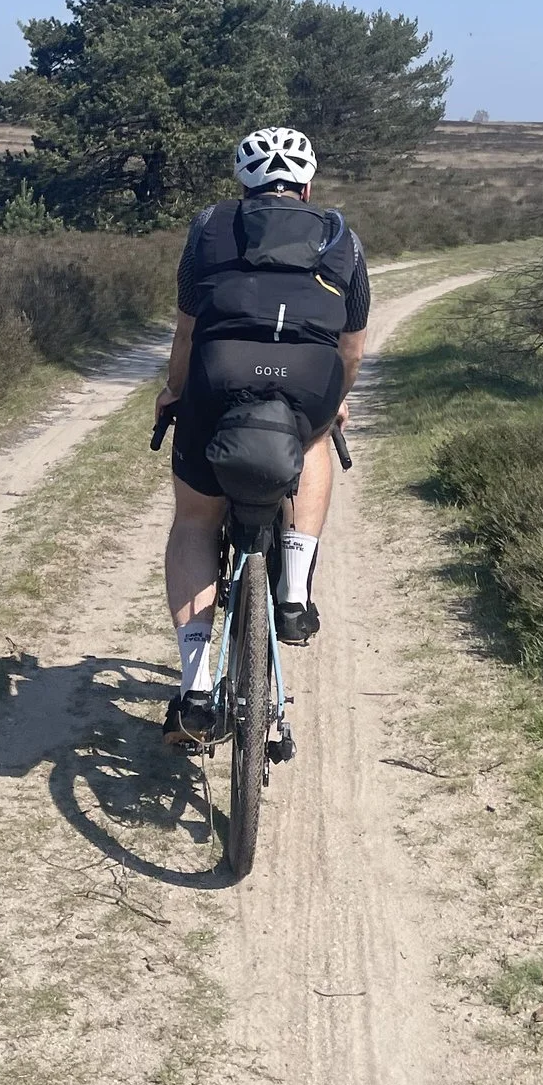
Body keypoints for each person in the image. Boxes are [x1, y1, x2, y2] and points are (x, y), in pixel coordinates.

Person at [154, 127, 370, 742]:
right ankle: (294, 590)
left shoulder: (209, 228)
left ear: (243, 185)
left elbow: (188, 331)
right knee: (313, 437)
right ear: (307, 186)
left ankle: (196, 686)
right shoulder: (342, 237)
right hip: (307, 376)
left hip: (219, 374)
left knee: (196, 522)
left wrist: (174, 391)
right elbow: (351, 346)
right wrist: (335, 402)